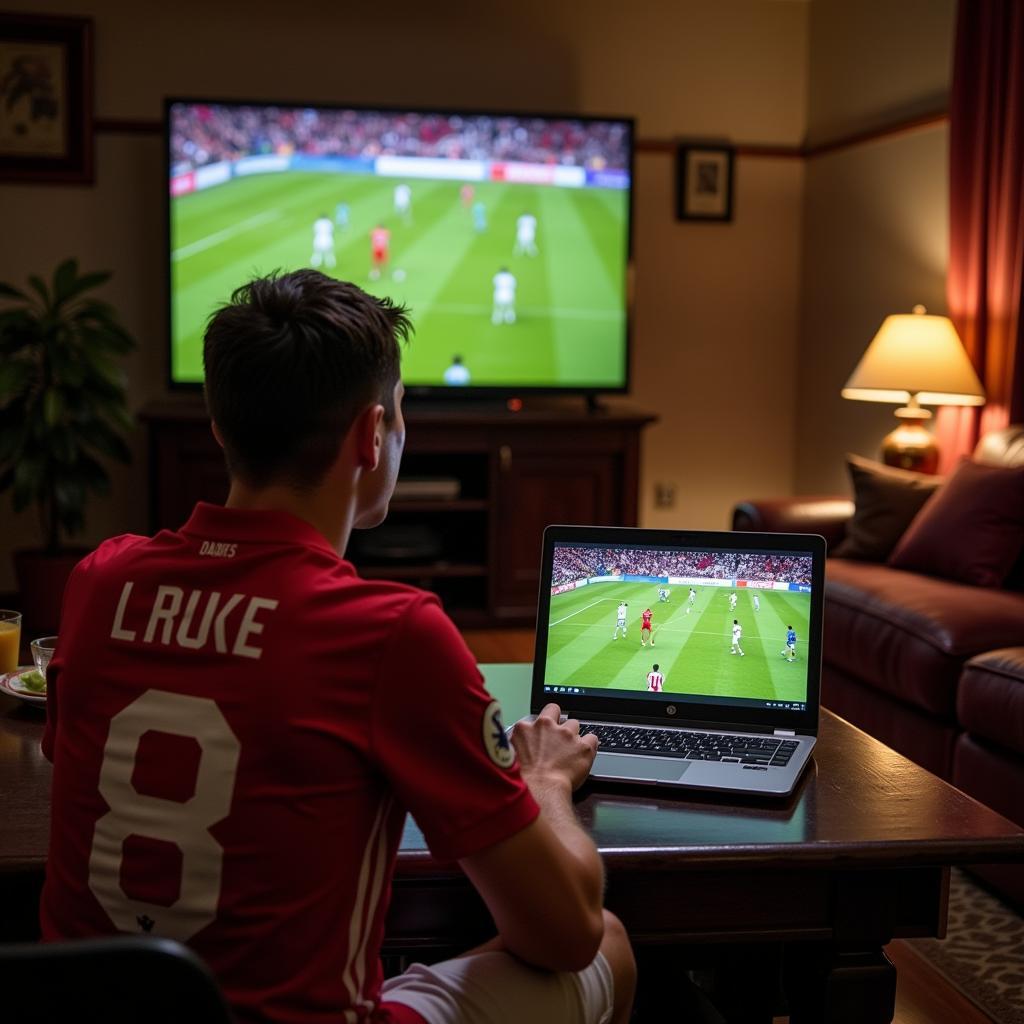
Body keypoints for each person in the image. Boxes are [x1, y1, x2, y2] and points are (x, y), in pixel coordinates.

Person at [39, 270, 635, 1024]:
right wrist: (545, 780)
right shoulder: (393, 633)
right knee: (610, 941)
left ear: (221, 427)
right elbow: (563, 934)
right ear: (371, 433)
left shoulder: (98, 581)